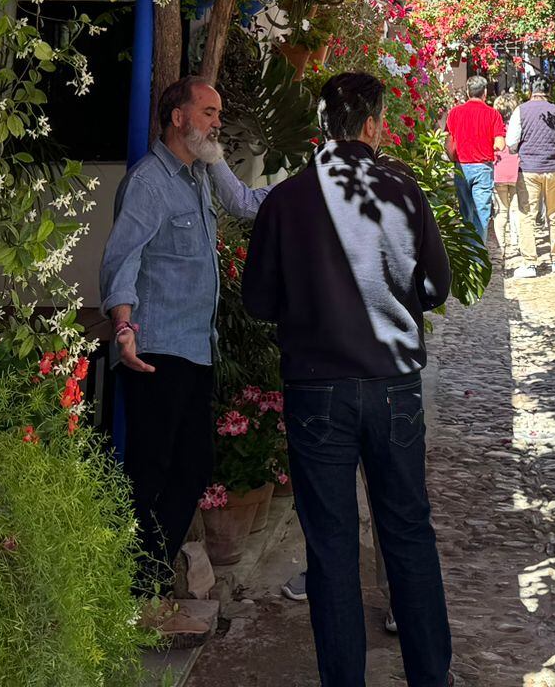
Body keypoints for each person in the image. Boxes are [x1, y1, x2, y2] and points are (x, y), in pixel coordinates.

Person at [242, 72, 456, 687]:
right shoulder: (403, 192)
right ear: (371, 126)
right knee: (407, 533)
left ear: (323, 127)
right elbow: (436, 287)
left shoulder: (286, 200)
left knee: (331, 546)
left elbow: (257, 300)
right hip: (391, 386)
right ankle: (430, 677)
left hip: (316, 390)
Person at [98, 76, 272, 605]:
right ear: (177, 116)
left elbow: (245, 204)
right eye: (207, 112)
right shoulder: (149, 182)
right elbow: (121, 258)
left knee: (193, 466)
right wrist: (124, 329)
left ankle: (146, 573)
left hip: (197, 345)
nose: (216, 121)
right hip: (156, 350)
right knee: (150, 469)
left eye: (218, 112)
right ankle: (134, 584)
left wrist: (308, 189)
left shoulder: (198, 175)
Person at [506, 84, 555, 277]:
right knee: (554, 214)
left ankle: (529, 263)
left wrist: (520, 151)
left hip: (528, 169)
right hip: (554, 169)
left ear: (531, 91)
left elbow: (511, 142)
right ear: (549, 92)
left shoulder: (521, 111)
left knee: (527, 215)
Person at [442, 74, 505, 249]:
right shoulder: (493, 114)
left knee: (465, 212)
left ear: (468, 92)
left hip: (461, 167)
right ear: (485, 93)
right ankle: (478, 254)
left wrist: (453, 157)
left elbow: (448, 142)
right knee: (481, 213)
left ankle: (466, 251)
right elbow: (500, 144)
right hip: (483, 168)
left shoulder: (454, 113)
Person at [490, 92, 522, 261]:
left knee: (500, 212)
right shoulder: (518, 126)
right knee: (517, 210)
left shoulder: (495, 127)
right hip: (516, 171)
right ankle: (517, 244)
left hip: (498, 172)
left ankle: (501, 247)